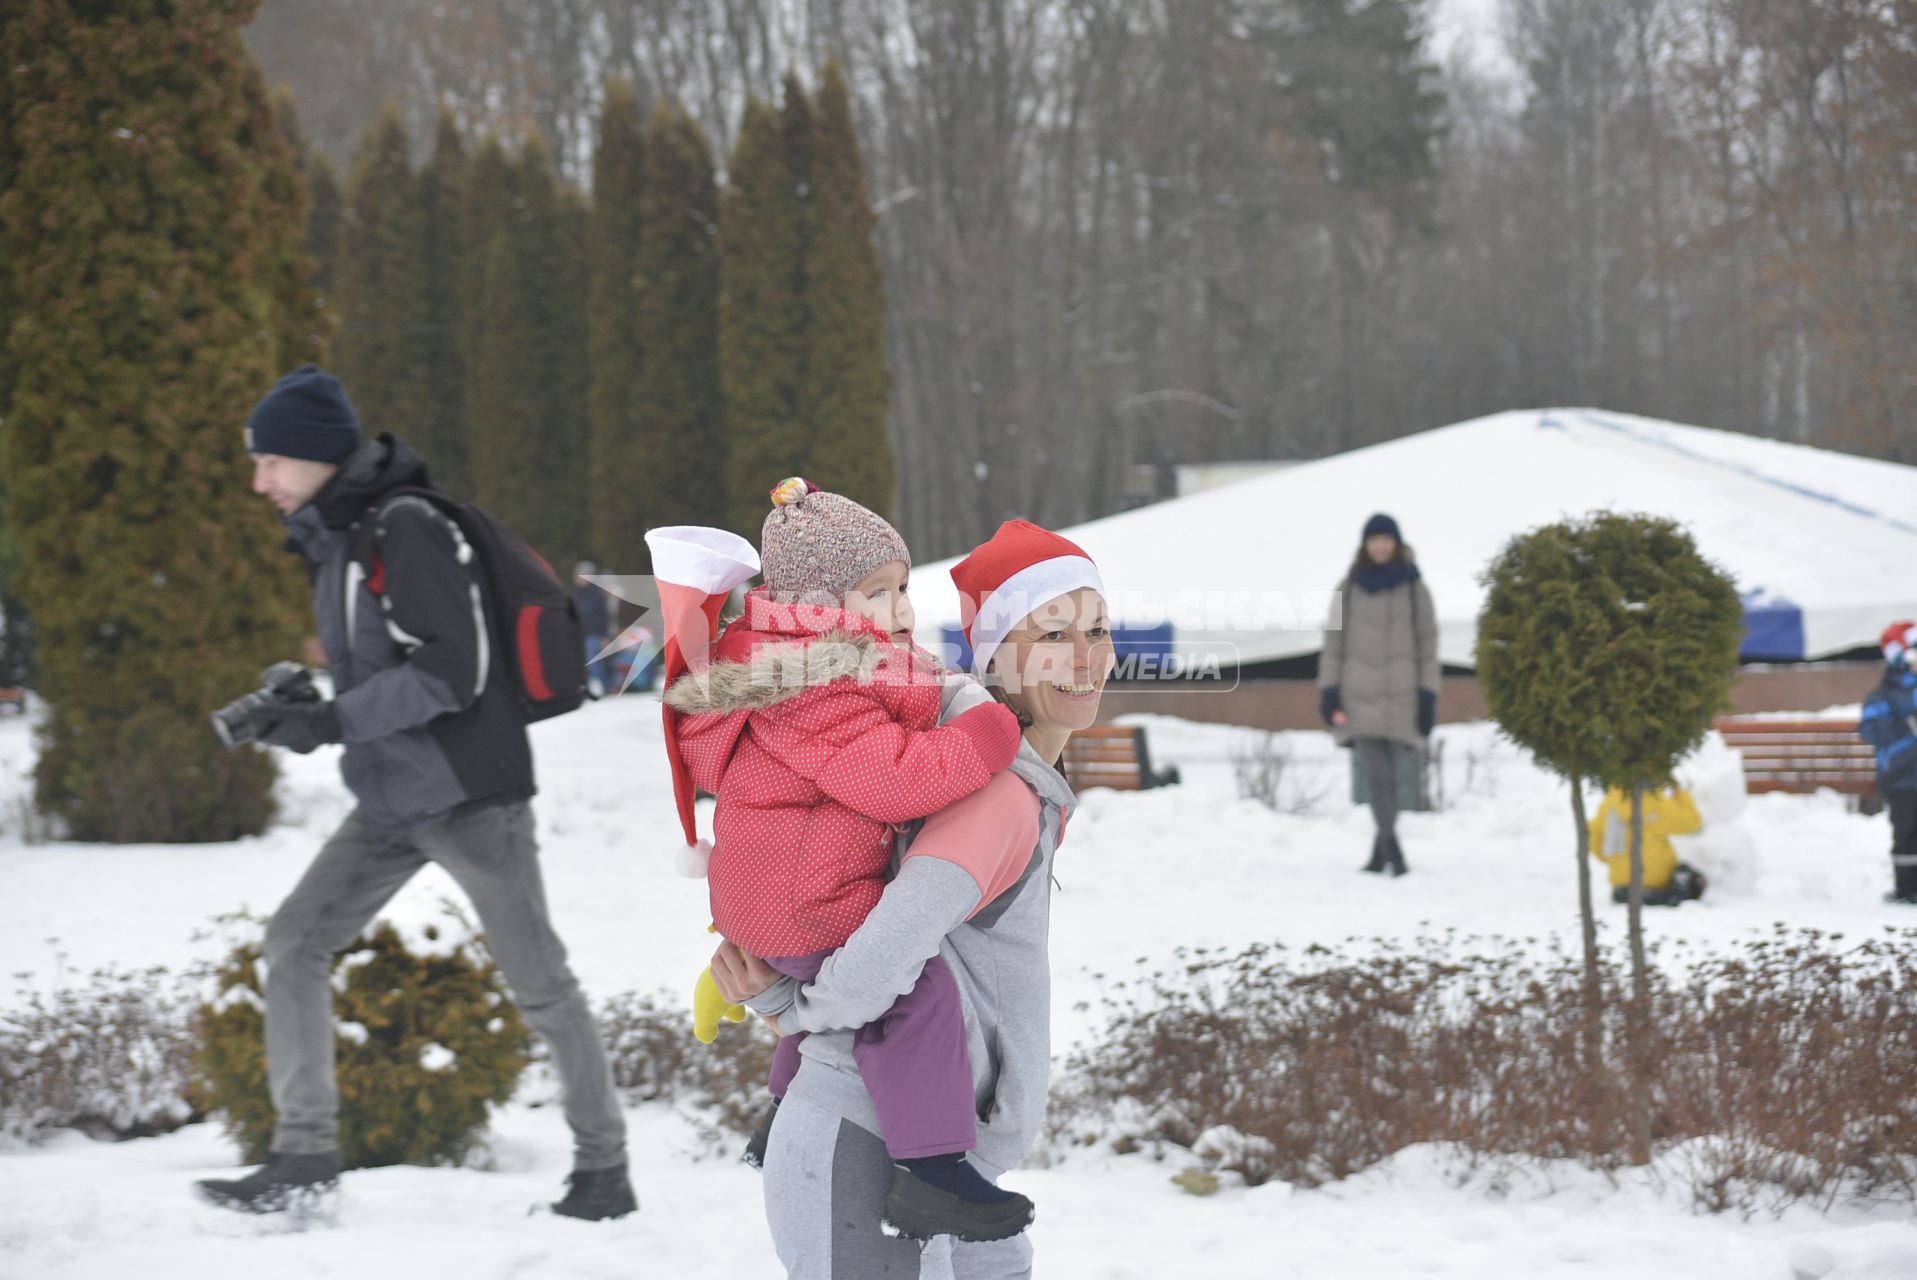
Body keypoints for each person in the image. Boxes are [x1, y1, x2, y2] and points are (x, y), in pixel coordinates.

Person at [193, 365, 633, 1219]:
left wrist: (329, 723)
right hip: (394, 797)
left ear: (320, 457)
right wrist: (309, 703)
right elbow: (383, 667)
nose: (260, 481)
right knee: (294, 942)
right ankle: (305, 1151)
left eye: (272, 461)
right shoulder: (340, 540)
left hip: (472, 797)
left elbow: (452, 671)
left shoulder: (406, 527)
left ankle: (604, 1171)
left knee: (539, 982)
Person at [710, 518, 1112, 1278]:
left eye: (1098, 629)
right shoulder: (995, 796)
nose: (1085, 657)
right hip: (866, 1148)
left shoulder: (1005, 779)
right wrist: (785, 1012)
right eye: (1053, 634)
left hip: (933, 1152)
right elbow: (878, 955)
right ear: (998, 653)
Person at [661, 479, 1031, 1243]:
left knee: (834, 1008)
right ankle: (933, 1171)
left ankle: (782, 1113)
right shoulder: (816, 686)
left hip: (772, 891)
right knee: (913, 994)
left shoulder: (802, 664)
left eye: (903, 587)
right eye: (878, 594)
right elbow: (893, 782)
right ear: (820, 605)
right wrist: (987, 736)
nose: (900, 610)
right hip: (804, 899)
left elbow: (898, 705)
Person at [1318, 512, 1439, 876]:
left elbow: (1428, 645)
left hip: (1402, 697)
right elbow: (1333, 643)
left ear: (1397, 543)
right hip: (1359, 697)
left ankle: (1378, 850)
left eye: (1387, 539)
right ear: (1365, 545)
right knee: (1377, 778)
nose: (1381, 546)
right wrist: (1329, 690)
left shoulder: (1416, 590)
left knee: (1395, 779)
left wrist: (1428, 694)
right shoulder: (1348, 588)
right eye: (1375, 539)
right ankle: (1394, 849)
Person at [1859, 620, 1917, 905]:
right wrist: (1907, 729)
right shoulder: (1884, 694)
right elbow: (1872, 728)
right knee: (1906, 833)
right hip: (1903, 776)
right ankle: (1907, 889)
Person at [1586, 786, 1706, 906]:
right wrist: (1681, 795)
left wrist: (1612, 859)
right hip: (1659, 883)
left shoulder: (1609, 803)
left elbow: (1594, 836)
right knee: (1691, 876)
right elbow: (1692, 823)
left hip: (1622, 887)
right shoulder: (1655, 801)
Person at [573, 560, 614, 697]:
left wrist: (605, 636)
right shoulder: (574, 594)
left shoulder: (597, 594)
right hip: (579, 635)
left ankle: (607, 687)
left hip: (595, 635)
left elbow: (605, 617)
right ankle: (588, 690)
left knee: (594, 664)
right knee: (583, 665)